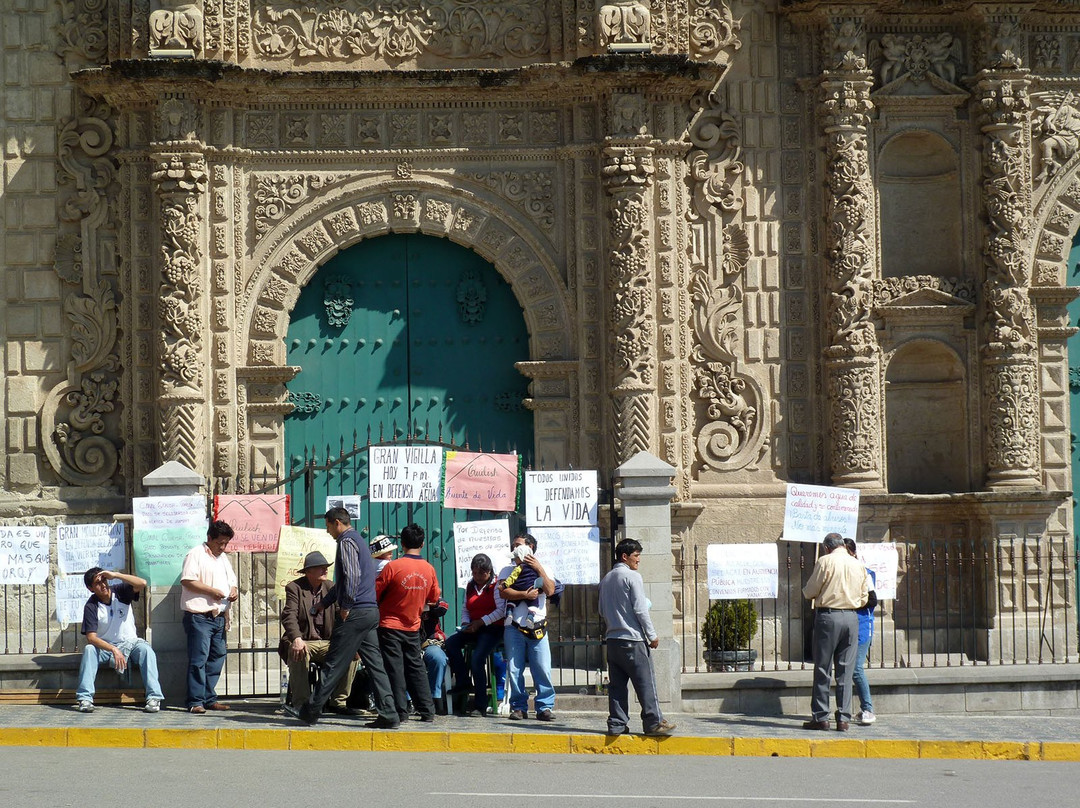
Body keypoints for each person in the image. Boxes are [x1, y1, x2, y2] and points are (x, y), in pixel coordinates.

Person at [288, 507, 398, 728]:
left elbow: (351, 576)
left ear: (337, 523)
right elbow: (344, 582)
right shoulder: (359, 540)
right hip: (369, 612)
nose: (328, 531)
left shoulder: (346, 542)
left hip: (355, 613)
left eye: (328, 526)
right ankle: (389, 713)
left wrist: (346, 605)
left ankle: (310, 711)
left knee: (333, 663)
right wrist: (324, 603)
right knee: (376, 665)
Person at [597, 538, 676, 736]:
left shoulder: (605, 580)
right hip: (633, 640)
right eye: (636, 555)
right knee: (645, 683)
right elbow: (641, 610)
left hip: (613, 641)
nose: (638, 560)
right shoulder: (633, 577)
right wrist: (652, 635)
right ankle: (653, 722)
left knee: (617, 687)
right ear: (625, 556)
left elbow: (601, 610)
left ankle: (617, 724)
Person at [801, 532, 869, 731]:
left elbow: (810, 591)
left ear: (827, 547)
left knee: (823, 668)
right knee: (845, 670)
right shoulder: (857, 564)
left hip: (828, 616)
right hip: (851, 617)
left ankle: (821, 716)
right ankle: (843, 718)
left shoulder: (825, 561)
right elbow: (864, 596)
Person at [278, 550, 359, 714]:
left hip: (328, 641)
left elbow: (341, 615)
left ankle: (338, 702)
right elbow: (289, 615)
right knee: (299, 651)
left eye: (326, 567)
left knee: (351, 653)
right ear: (308, 571)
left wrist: (348, 640)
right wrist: (297, 638)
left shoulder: (332, 587)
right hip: (305, 640)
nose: (326, 570)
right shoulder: (295, 588)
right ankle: (303, 705)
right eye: (321, 567)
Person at [375, 522, 441, 723]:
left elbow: (375, 593)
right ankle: (427, 710)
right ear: (422, 544)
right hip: (413, 625)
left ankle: (400, 711)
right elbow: (434, 598)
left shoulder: (393, 567)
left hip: (389, 625)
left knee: (394, 669)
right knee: (416, 667)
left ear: (402, 544)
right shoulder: (429, 569)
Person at [75, 567, 163, 714]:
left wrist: (115, 575)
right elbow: (91, 638)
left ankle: (154, 697)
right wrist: (113, 649)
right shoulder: (91, 606)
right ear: (90, 588)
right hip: (107, 648)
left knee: (146, 650)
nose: (103, 585)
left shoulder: (120, 591)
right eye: (97, 583)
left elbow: (142, 583)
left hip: (130, 643)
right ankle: (85, 698)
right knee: (89, 650)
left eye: (104, 580)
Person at [495, 532, 561, 721]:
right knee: (514, 668)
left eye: (518, 545)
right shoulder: (507, 570)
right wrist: (525, 595)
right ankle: (518, 706)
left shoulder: (545, 568)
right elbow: (503, 592)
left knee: (542, 667)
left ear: (530, 547)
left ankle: (544, 706)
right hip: (514, 626)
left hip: (537, 625)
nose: (514, 548)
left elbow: (550, 590)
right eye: (513, 545)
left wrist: (538, 568)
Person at [180, 520, 237, 714]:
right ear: (210, 538)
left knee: (217, 657)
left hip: (219, 616)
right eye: (220, 543)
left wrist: (234, 590)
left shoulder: (223, 558)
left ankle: (209, 697)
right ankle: (195, 701)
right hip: (200, 616)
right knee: (199, 659)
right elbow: (188, 580)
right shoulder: (195, 554)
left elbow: (232, 580)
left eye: (226, 543)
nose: (223, 547)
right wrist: (211, 591)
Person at [444, 552, 505, 716]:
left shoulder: (496, 585)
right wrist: (466, 624)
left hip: (492, 628)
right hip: (474, 627)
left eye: (481, 573)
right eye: (474, 572)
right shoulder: (471, 586)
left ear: (489, 571)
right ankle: (463, 681)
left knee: (478, 659)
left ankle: (480, 704)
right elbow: (466, 609)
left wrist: (481, 622)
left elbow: (501, 611)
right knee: (451, 643)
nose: (477, 576)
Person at [845, 537, 879, 726]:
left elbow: (872, 600)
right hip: (847, 625)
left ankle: (868, 709)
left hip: (862, 626)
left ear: (853, 553)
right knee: (846, 669)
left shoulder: (864, 573)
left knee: (857, 668)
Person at [420, 598, 450, 715]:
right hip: (408, 642)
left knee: (438, 658)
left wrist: (432, 604)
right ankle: (407, 701)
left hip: (429, 641)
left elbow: (443, 607)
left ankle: (435, 698)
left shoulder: (431, 597)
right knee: (403, 660)